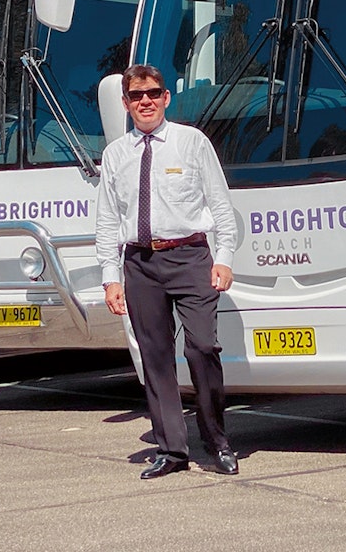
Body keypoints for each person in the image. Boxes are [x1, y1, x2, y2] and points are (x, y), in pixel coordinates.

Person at [95, 63, 239, 478]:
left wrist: (224, 257)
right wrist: (111, 278)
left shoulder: (191, 142)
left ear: (166, 97)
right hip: (139, 263)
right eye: (137, 96)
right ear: (125, 103)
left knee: (201, 348)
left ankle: (217, 440)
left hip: (190, 256)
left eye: (154, 93)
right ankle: (172, 450)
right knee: (155, 358)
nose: (146, 102)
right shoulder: (116, 155)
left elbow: (220, 203)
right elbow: (107, 220)